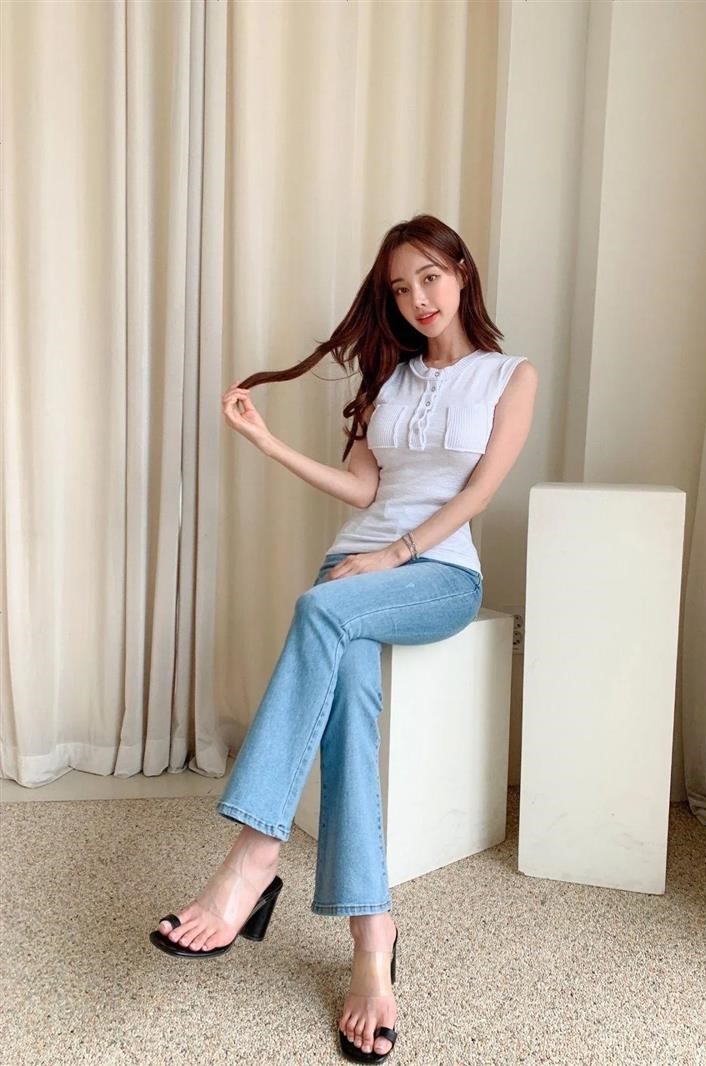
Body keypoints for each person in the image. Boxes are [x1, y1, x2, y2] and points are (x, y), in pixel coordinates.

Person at [148, 213, 538, 1063]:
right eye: (400, 288)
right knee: (349, 712)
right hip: (358, 566)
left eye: (429, 277)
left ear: (462, 273)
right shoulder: (388, 379)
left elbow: (479, 495)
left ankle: (253, 858)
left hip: (436, 572)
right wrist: (266, 442)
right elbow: (363, 490)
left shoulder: (509, 376)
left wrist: (396, 555)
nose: (418, 298)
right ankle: (373, 941)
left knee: (320, 608)